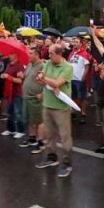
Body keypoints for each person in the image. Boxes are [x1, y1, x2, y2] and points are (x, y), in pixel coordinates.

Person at [35, 44, 75, 178]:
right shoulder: (48, 64)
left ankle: (67, 163)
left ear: (58, 54)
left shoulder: (68, 67)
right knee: (49, 134)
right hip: (47, 104)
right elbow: (43, 77)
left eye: (51, 53)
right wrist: (42, 77)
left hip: (61, 107)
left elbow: (57, 83)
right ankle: (51, 157)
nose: (48, 55)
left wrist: (44, 79)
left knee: (65, 137)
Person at [21, 45, 46, 152]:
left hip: (36, 97)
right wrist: (22, 75)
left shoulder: (42, 66)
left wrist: (43, 94)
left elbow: (47, 81)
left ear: (36, 55)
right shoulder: (29, 65)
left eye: (30, 53)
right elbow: (26, 76)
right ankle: (32, 138)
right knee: (30, 119)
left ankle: (41, 142)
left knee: (39, 120)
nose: (28, 55)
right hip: (27, 96)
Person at [0, 52, 26, 139]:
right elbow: (6, 74)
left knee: (18, 112)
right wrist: (3, 75)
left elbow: (20, 81)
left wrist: (8, 77)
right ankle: (11, 129)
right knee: (10, 111)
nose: (9, 56)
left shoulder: (19, 66)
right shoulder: (9, 65)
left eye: (11, 54)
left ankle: (21, 130)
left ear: (15, 55)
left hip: (17, 92)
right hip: (9, 91)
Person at [67, 37, 91, 124]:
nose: (75, 43)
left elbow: (87, 67)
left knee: (82, 97)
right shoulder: (72, 53)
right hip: (71, 78)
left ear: (81, 43)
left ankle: (83, 113)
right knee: (73, 96)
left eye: (77, 42)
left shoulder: (84, 53)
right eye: (74, 42)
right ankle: (73, 111)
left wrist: (83, 78)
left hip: (80, 79)